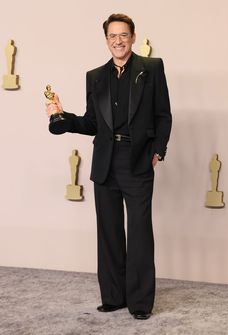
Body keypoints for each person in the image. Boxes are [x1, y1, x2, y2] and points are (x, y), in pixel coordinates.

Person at [46, 13, 172, 320]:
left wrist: (158, 151)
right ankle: (114, 297)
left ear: (132, 36)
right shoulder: (95, 76)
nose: (118, 40)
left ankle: (140, 303)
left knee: (140, 234)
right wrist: (62, 116)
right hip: (105, 162)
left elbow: (164, 114)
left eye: (123, 34)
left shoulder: (151, 68)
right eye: (112, 36)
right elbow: (92, 123)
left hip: (137, 159)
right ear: (106, 40)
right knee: (109, 233)